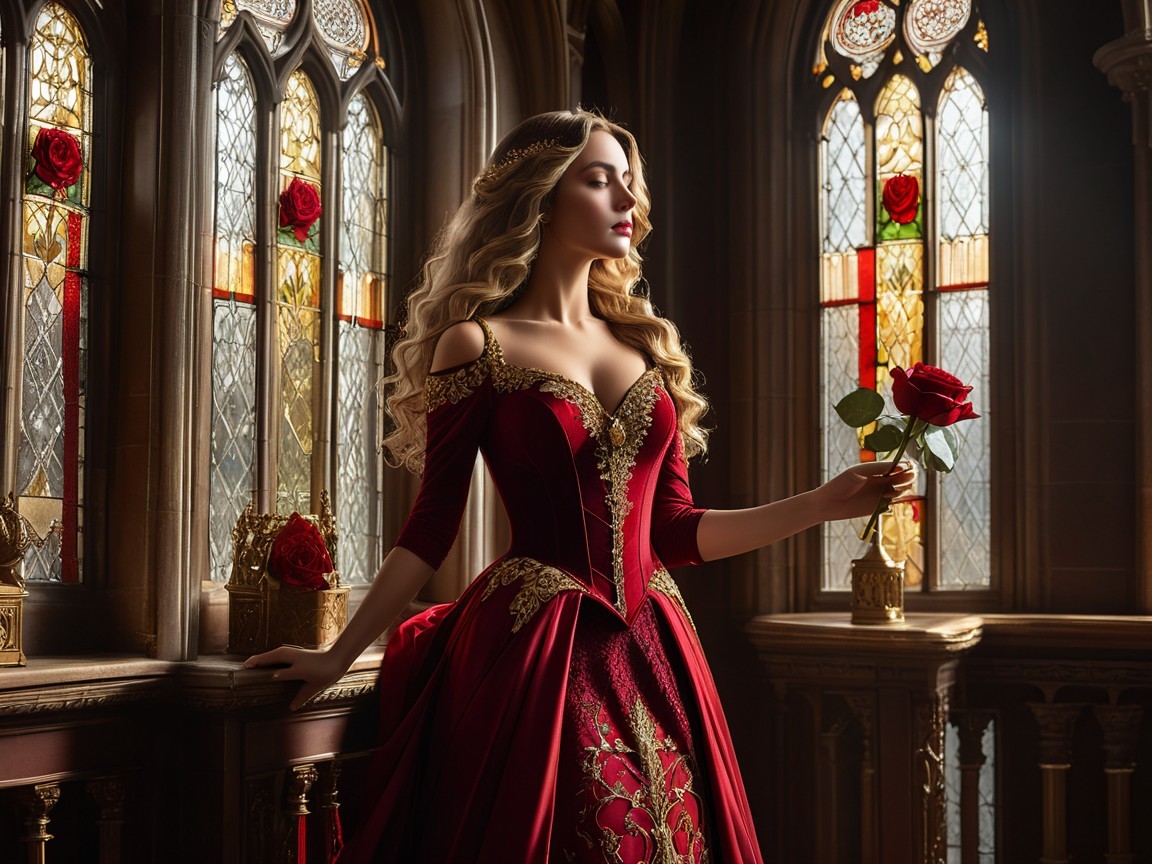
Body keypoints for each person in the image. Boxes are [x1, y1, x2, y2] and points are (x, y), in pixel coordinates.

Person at [245, 109, 915, 862]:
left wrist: (824, 504)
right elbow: (431, 529)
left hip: (655, 642)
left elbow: (674, 531)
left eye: (629, 183)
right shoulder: (478, 344)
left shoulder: (644, 349)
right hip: (538, 645)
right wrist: (337, 655)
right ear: (541, 197)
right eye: (600, 182)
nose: (627, 201)